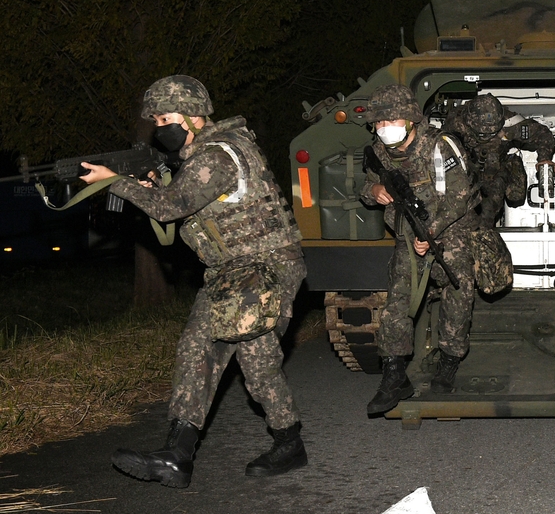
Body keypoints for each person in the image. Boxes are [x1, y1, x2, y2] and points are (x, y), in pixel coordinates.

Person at [80, 75, 307, 488]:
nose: (160, 126)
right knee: (196, 348)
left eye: (166, 117)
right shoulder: (200, 155)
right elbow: (182, 201)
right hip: (229, 270)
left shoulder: (217, 155)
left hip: (265, 265)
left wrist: (117, 180)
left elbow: (171, 208)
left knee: (256, 366)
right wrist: (150, 183)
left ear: (193, 117)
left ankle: (289, 441)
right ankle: (177, 455)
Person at [362, 84, 479, 414]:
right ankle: (395, 375)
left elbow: (459, 197)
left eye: (393, 120)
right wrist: (375, 189)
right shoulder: (380, 151)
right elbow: (366, 184)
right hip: (408, 235)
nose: (386, 129)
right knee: (397, 302)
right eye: (380, 123)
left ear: (411, 119)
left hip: (449, 232)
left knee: (459, 295)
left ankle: (450, 360)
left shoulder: (441, 146)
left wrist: (431, 231)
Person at [443, 94, 555, 226]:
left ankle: (511, 166)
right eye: (482, 133)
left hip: (496, 169)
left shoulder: (511, 123)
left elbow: (543, 135)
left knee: (488, 212)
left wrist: (544, 159)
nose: (487, 136)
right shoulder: (456, 123)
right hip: (467, 171)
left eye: (492, 133)